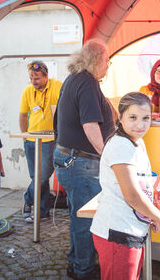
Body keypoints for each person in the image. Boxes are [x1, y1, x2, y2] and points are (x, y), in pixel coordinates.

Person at [53, 39, 116, 279]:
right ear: (97, 60)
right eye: (107, 62)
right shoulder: (87, 82)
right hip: (81, 163)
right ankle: (84, 269)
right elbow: (90, 125)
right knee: (85, 219)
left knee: (77, 214)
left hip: (70, 159)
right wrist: (107, 155)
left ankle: (76, 261)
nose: (108, 67)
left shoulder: (74, 78)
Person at [90, 92, 160, 280]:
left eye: (146, 118)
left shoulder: (136, 142)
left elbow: (140, 181)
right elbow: (131, 195)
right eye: (133, 117)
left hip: (129, 229)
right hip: (118, 231)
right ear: (120, 118)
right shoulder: (121, 145)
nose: (140, 124)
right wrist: (156, 215)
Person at [19, 60, 62, 221]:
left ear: (46, 76)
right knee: (35, 176)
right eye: (31, 78)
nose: (33, 82)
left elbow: (64, 108)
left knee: (43, 175)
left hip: (50, 139)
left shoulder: (57, 85)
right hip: (31, 139)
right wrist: (24, 135)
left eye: (36, 78)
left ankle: (27, 199)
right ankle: (43, 210)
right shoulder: (28, 91)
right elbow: (23, 115)